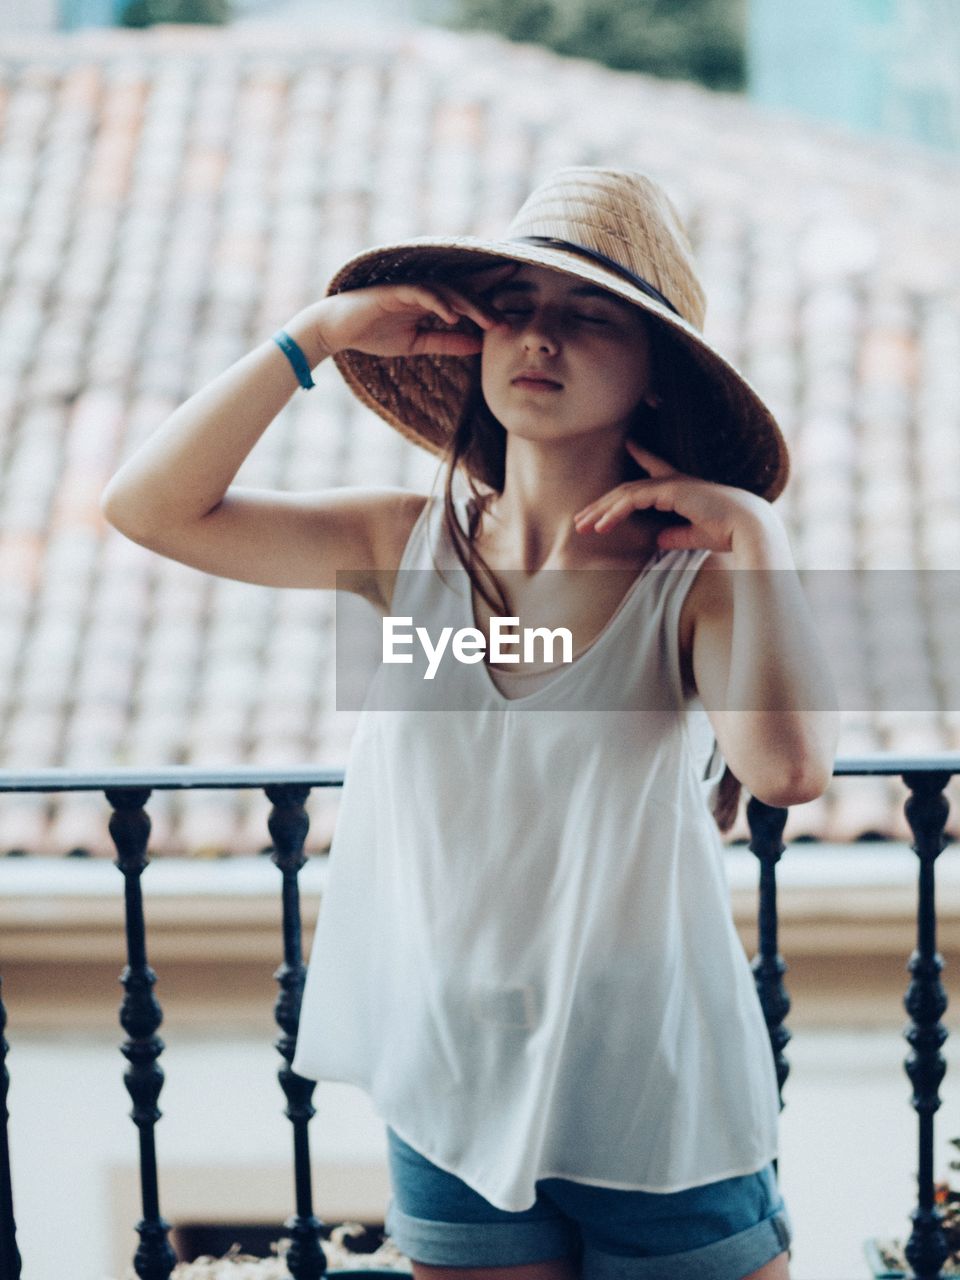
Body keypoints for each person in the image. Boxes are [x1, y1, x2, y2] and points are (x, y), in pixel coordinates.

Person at [102, 167, 838, 1280]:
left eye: (589, 315)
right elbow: (150, 508)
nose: (540, 336)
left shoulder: (689, 578)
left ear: (653, 376)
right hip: (452, 1076)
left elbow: (786, 769)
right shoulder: (403, 548)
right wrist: (323, 331)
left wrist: (758, 536)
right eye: (516, 305)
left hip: (653, 1081)